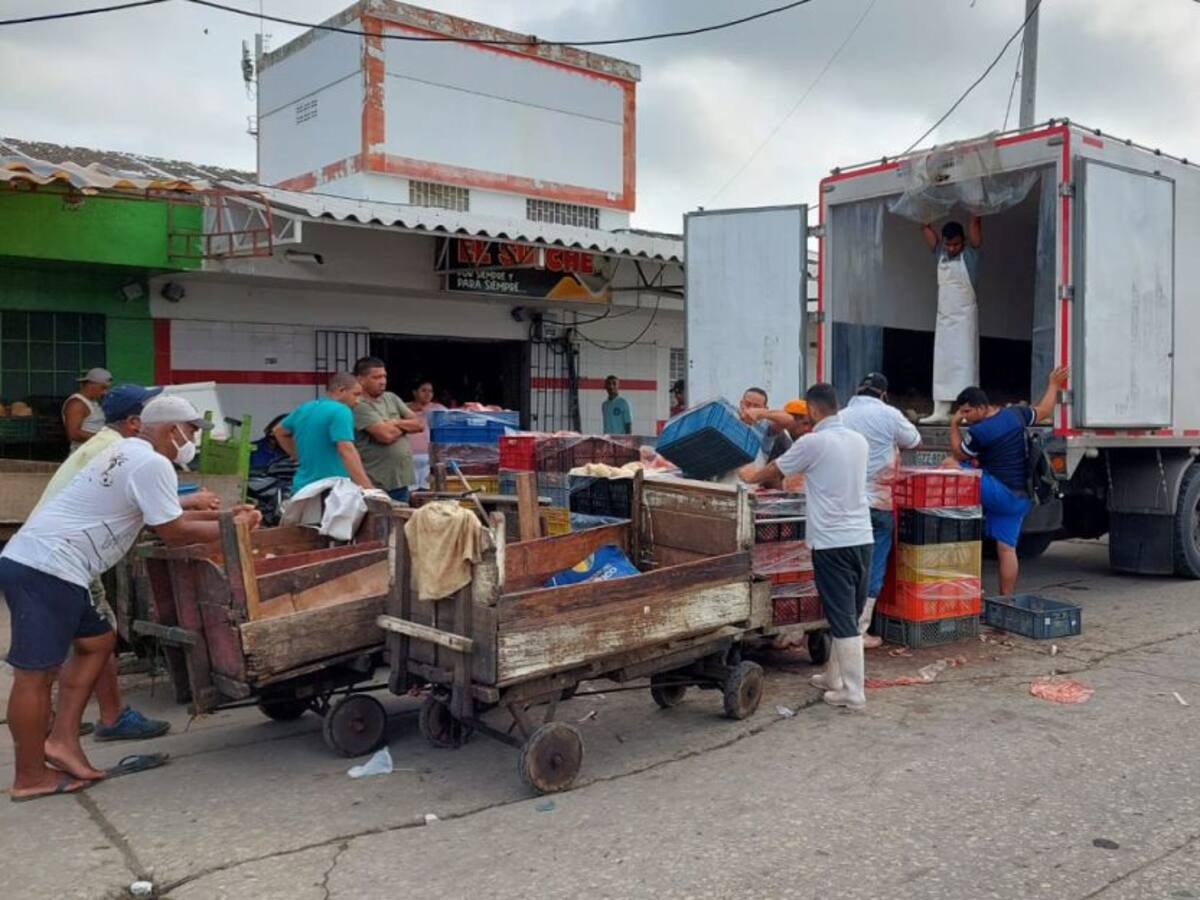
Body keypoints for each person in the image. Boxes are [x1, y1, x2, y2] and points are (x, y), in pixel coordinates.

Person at [0, 395, 261, 801]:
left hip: (50, 565)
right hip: (47, 567)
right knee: (34, 674)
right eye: (191, 430)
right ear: (171, 429)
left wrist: (227, 517)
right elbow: (173, 531)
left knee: (98, 640)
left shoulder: (128, 451)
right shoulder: (152, 462)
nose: (193, 439)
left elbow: (164, 514)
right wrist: (234, 526)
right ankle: (30, 776)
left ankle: (62, 741)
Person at [739, 384, 873, 710]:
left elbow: (773, 471)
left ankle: (853, 692)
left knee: (841, 617)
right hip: (861, 537)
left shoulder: (814, 443)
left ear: (812, 411)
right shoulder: (858, 440)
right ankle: (834, 678)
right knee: (848, 615)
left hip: (832, 542)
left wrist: (749, 473)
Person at [947, 366, 1069, 596]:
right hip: (1021, 497)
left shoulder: (981, 431)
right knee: (1006, 549)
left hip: (999, 493)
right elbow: (1044, 409)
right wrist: (1053, 384)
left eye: (966, 411)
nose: (964, 416)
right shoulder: (1016, 413)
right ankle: (1006, 600)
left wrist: (954, 425)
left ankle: (947, 524)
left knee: (948, 465)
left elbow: (958, 454)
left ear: (982, 408)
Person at [841, 372, 922, 648]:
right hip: (878, 504)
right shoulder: (889, 414)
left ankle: (840, 627)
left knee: (846, 563)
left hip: (846, 504)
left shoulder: (842, 415)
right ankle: (860, 631)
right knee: (873, 565)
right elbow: (913, 440)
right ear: (883, 394)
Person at [920, 217, 983, 424]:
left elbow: (976, 233)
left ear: (962, 241)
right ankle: (940, 409)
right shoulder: (941, 255)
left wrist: (975, 217)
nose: (952, 248)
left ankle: (966, 410)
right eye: (948, 244)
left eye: (956, 244)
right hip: (945, 319)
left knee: (965, 364)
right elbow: (931, 239)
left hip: (964, 320)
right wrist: (925, 222)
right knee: (943, 363)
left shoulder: (971, 255)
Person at [273, 374, 374, 493]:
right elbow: (346, 449)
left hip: (302, 488)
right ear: (341, 390)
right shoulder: (341, 410)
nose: (357, 401)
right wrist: (368, 488)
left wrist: (299, 457)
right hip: (330, 490)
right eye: (356, 394)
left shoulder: (305, 408)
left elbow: (278, 431)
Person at [351, 357, 425, 502]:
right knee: (377, 523)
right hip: (374, 482)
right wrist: (405, 426)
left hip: (400, 480)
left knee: (398, 521)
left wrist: (395, 422)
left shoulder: (391, 398)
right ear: (361, 379)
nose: (383, 381)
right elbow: (385, 435)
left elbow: (420, 424)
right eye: (376, 377)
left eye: (384, 376)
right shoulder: (358, 404)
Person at [407, 379, 445, 491]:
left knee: (427, 491)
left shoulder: (438, 409)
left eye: (430, 391)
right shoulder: (404, 408)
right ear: (414, 392)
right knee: (411, 493)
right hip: (408, 457)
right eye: (423, 390)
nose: (428, 394)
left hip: (429, 458)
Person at [62, 367, 112, 452]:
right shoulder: (77, 404)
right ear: (90, 384)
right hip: (83, 454)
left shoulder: (93, 402)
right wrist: (104, 439)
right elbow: (74, 434)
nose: (105, 392)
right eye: (103, 388)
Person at [739, 387, 793, 463]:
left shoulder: (766, 426)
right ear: (741, 403)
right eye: (747, 404)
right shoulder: (730, 415)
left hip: (752, 469)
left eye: (756, 406)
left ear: (765, 408)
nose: (751, 409)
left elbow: (789, 420)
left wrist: (761, 413)